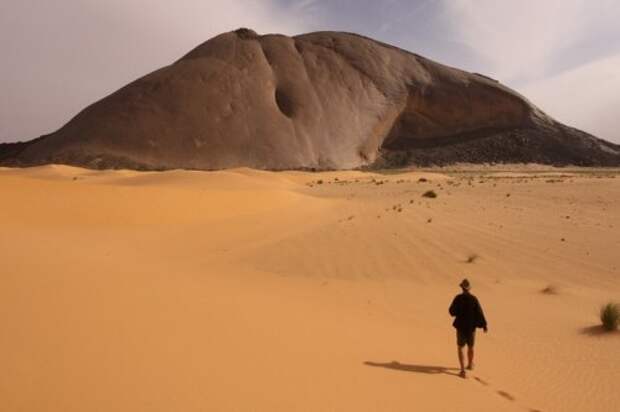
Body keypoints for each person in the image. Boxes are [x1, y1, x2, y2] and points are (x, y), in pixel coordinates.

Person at [449, 278, 487, 378]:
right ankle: (470, 365)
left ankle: (462, 370)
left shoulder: (458, 298)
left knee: (460, 347)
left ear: (462, 288)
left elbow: (451, 312)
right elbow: (479, 312)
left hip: (460, 327)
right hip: (471, 328)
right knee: (471, 347)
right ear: (469, 289)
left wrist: (459, 311)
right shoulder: (474, 299)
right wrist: (484, 325)